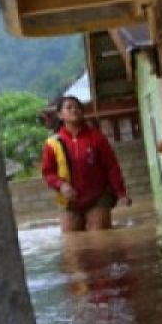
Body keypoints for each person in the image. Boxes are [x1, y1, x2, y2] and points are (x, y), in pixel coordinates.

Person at [41, 95, 131, 232]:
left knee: (100, 237)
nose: (74, 110)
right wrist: (62, 185)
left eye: (77, 107)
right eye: (69, 107)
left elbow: (112, 167)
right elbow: (48, 173)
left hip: (98, 196)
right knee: (72, 242)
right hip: (69, 200)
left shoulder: (97, 138)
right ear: (60, 115)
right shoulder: (52, 143)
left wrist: (121, 193)